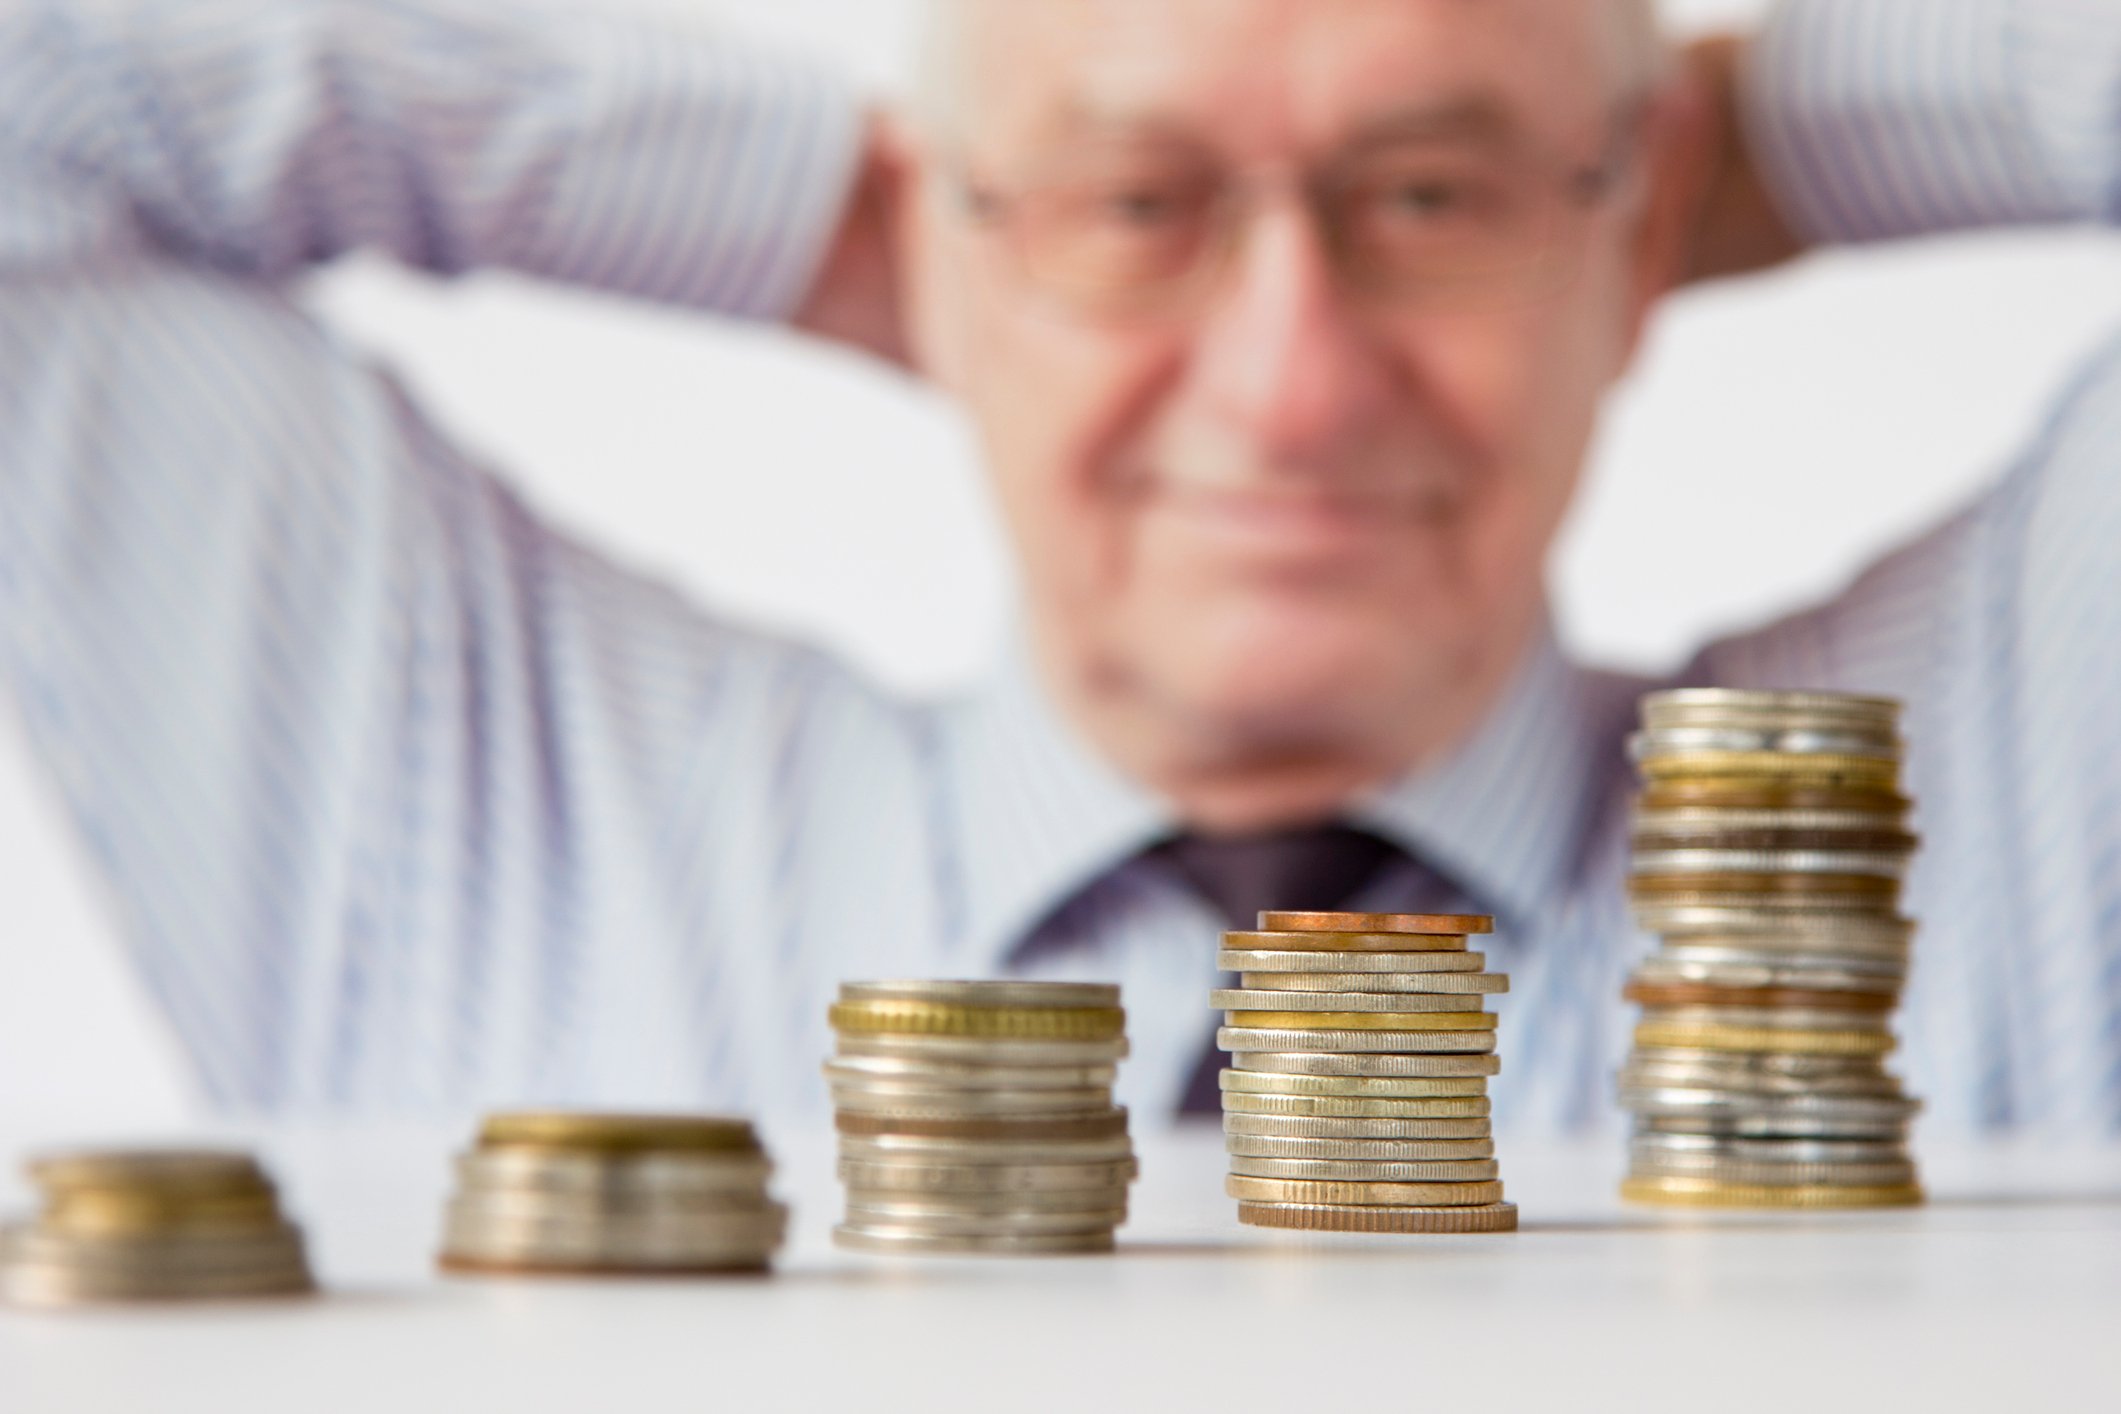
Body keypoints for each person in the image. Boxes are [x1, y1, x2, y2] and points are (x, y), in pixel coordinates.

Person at [1, 0, 2115, 1134]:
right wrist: (838, 225)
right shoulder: (484, 815)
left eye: (1430, 191)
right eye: (1134, 201)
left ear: (1635, 233)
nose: (1287, 390)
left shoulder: (2002, 789)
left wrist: (1737, 138)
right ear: (946, 238)